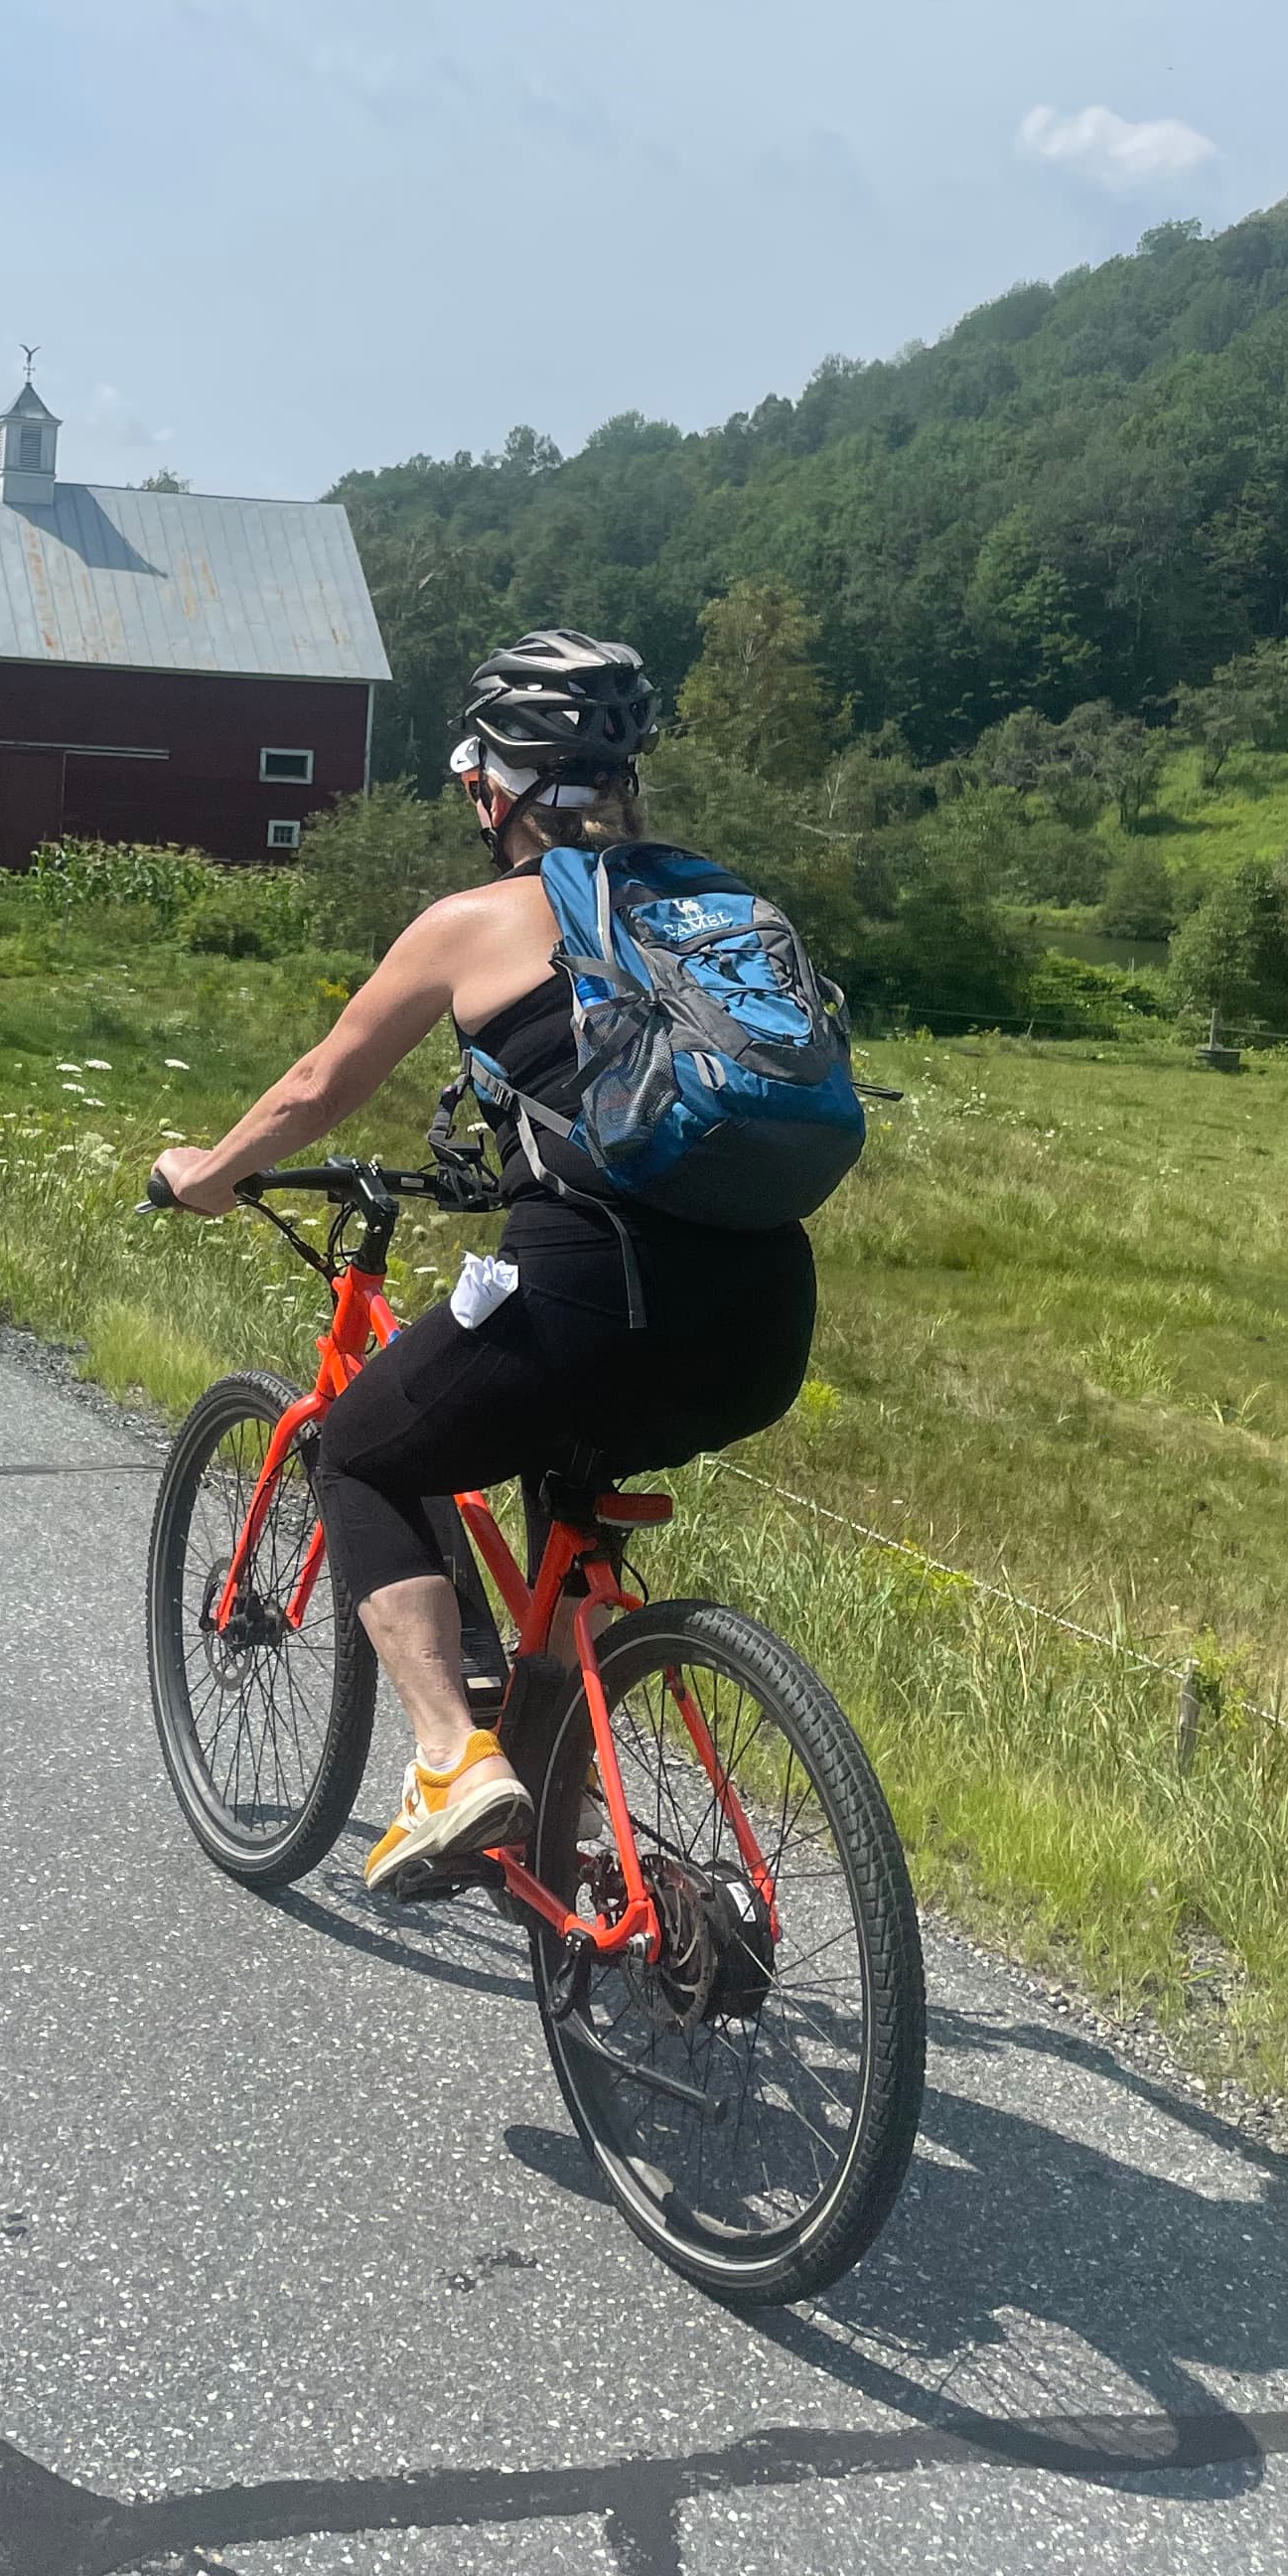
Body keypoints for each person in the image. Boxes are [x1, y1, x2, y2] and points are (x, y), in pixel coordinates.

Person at [151, 629, 817, 1898]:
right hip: (762, 1320)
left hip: (588, 1296)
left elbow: (313, 1090)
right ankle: (561, 1816)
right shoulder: (722, 904)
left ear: (490, 787)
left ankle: (455, 1764)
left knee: (355, 1445)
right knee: (566, 1517)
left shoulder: (475, 921)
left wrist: (210, 1172)